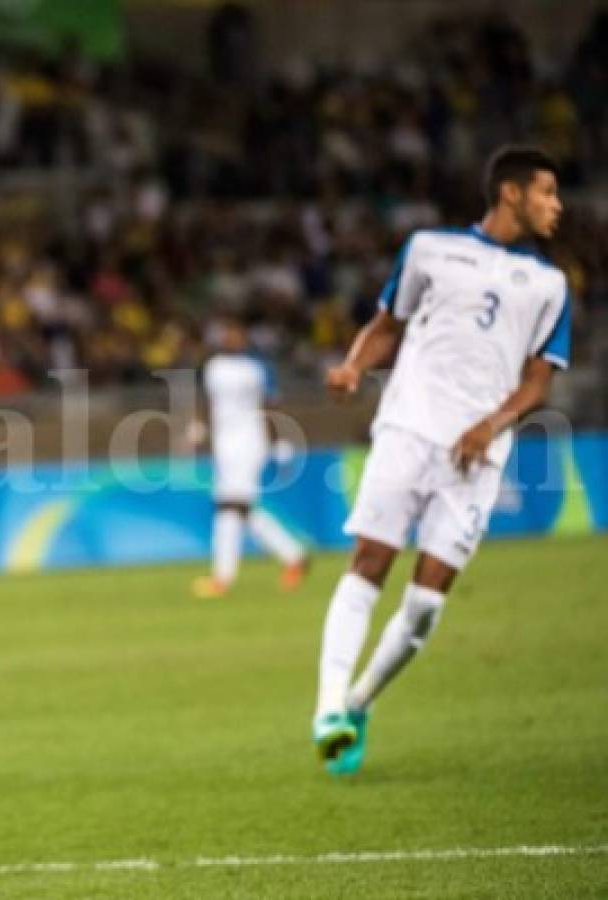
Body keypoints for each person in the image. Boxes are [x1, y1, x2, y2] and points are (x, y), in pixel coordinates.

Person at [312, 146, 571, 774]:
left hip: (477, 455)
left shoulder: (549, 284)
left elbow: (539, 382)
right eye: (547, 193)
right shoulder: (429, 249)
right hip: (406, 428)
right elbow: (386, 326)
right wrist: (353, 365)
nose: (557, 206)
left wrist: (490, 424)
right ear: (511, 194)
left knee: (425, 605)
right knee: (369, 561)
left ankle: (359, 701)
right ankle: (326, 711)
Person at [189, 315, 309, 598]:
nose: (233, 338)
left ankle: (223, 578)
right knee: (236, 507)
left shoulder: (257, 368)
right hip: (223, 443)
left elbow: (270, 406)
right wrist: (199, 427)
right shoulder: (212, 367)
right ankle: (294, 556)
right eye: (228, 333)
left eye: (237, 333)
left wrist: (278, 441)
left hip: (250, 441)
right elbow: (206, 401)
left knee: (231, 505)